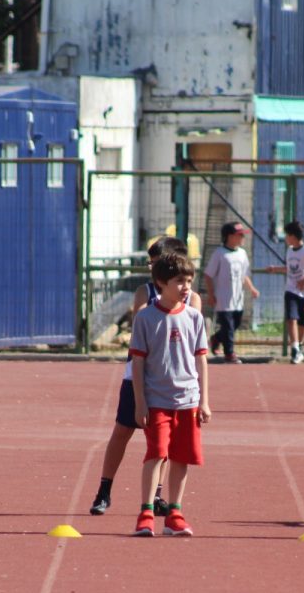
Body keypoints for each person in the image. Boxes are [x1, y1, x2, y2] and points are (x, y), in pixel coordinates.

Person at [90, 238, 202, 516]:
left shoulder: (192, 300)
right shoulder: (146, 291)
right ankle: (104, 489)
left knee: (165, 443)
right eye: (151, 263)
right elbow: (142, 323)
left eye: (155, 261)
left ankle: (159, 495)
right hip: (138, 377)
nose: (151, 266)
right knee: (123, 430)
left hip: (172, 383)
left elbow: (191, 341)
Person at [129, 253, 211, 537]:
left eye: (189, 280)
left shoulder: (194, 317)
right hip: (157, 401)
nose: (186, 286)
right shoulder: (145, 318)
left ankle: (175, 512)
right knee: (157, 453)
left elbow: (201, 360)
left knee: (181, 456)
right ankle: (146, 511)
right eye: (179, 281)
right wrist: (140, 401)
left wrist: (204, 401)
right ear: (161, 283)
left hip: (188, 400)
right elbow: (137, 363)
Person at [265, 220, 304, 364]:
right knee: (291, 318)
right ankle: (295, 349)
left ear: (293, 236)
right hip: (291, 290)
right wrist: (276, 269)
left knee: (303, 322)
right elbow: (289, 268)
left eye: (287, 235)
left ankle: (300, 347)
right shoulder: (290, 250)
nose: (285, 238)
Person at [203, 222, 260, 363]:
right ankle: (229, 354)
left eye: (242, 235)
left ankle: (216, 339)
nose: (242, 238)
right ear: (229, 236)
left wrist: (252, 288)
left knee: (235, 324)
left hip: (238, 299)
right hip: (223, 299)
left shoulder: (242, 253)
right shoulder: (219, 253)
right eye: (239, 235)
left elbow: (244, 275)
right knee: (228, 327)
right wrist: (211, 294)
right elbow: (208, 275)